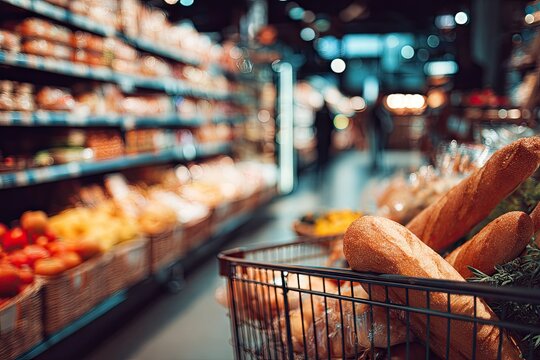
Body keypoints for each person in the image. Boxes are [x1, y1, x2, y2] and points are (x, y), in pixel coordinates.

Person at [367, 95, 393, 172]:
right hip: (375, 131)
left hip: (381, 131)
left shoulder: (381, 109)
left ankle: (378, 162)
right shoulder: (376, 109)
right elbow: (370, 121)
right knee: (375, 147)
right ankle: (375, 163)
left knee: (380, 147)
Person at [314, 101, 333, 176]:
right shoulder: (329, 113)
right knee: (325, 151)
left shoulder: (318, 113)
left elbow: (315, 124)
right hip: (326, 136)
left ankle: (320, 163)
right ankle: (324, 163)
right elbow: (331, 125)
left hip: (320, 136)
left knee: (320, 151)